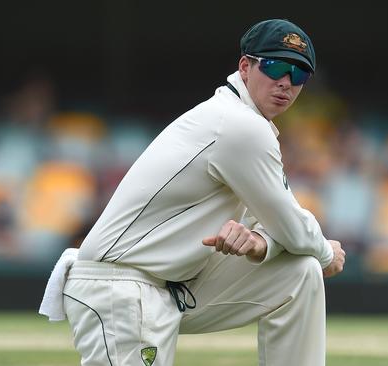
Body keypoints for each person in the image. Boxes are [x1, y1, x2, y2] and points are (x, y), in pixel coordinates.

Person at [39, 18, 346, 366]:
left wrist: (263, 244)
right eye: (275, 66)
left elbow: (275, 223)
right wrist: (325, 252)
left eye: (299, 75)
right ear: (245, 67)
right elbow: (291, 223)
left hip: (172, 286)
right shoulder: (238, 126)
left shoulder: (245, 124)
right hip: (119, 284)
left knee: (299, 272)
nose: (286, 83)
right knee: (311, 259)